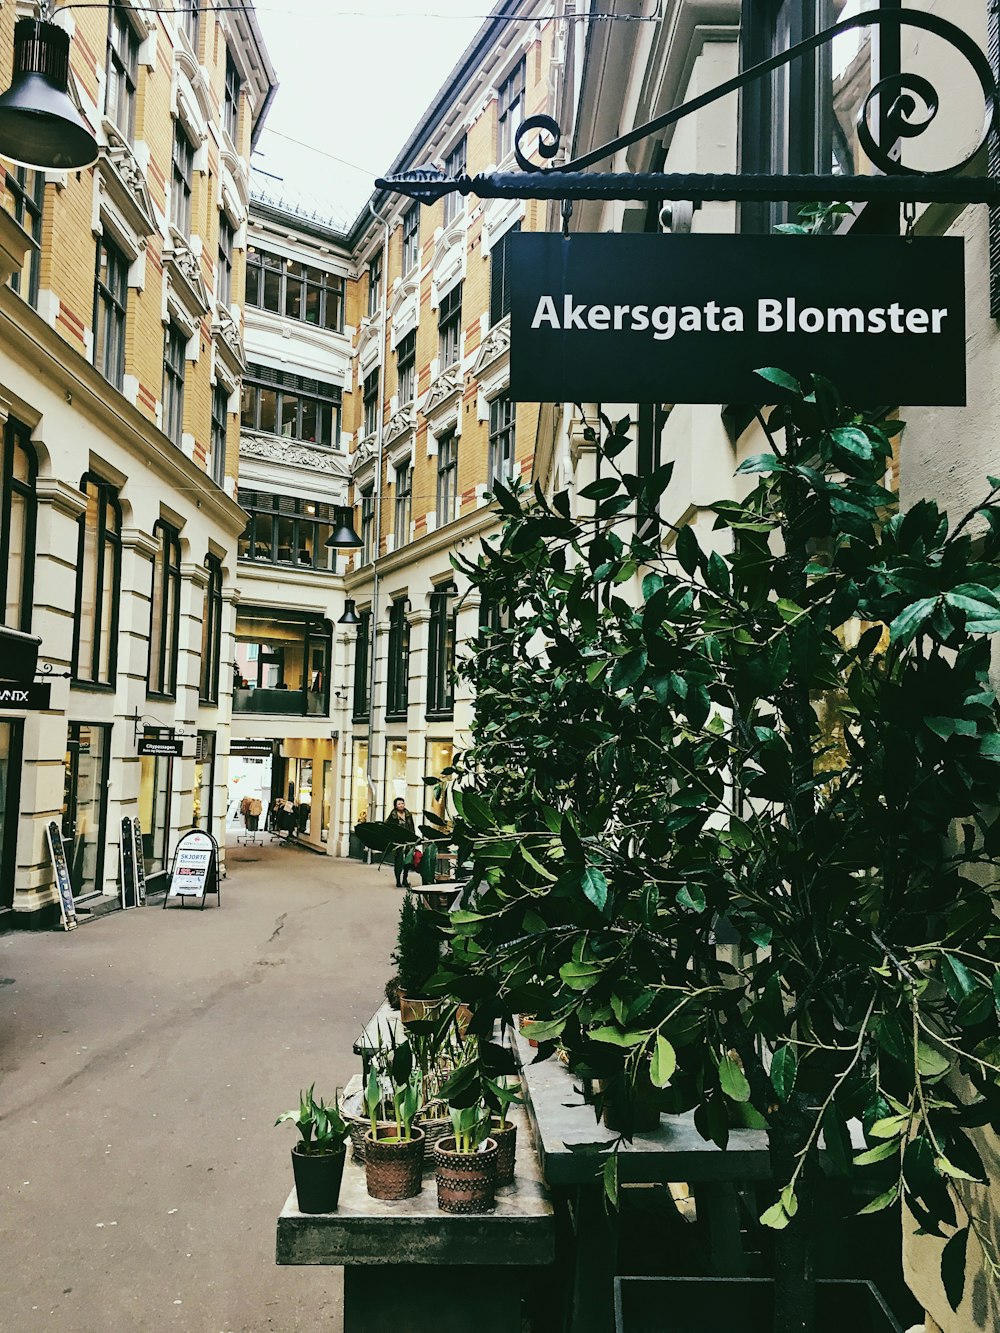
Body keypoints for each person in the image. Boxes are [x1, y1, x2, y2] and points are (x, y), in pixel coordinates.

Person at [386, 797, 416, 888]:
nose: (401, 805)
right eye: (399, 804)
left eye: (402, 803)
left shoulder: (408, 814)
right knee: (398, 861)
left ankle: (405, 879)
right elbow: (387, 827)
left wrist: (413, 839)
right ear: (395, 806)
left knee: (408, 861)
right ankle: (398, 881)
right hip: (398, 842)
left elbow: (412, 827)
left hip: (408, 841)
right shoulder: (393, 816)